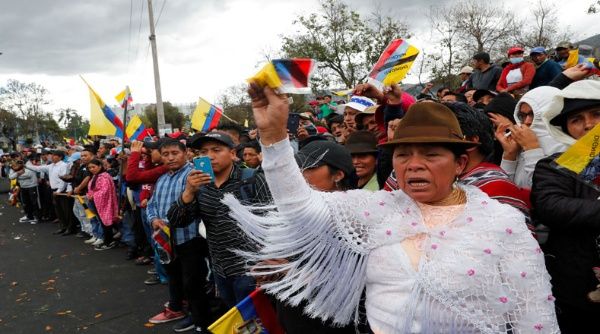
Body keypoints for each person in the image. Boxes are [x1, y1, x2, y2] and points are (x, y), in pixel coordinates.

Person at [229, 84, 558, 333]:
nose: (414, 166)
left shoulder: (501, 222)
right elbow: (299, 206)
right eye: (403, 155)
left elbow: (534, 316)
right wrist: (273, 138)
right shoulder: (378, 209)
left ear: (459, 163)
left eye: (430, 155)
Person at [167, 132, 272, 308]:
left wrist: (270, 263)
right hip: (220, 270)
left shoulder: (252, 179)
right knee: (235, 321)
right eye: (203, 152)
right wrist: (188, 192)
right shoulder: (200, 186)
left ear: (232, 154)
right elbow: (177, 221)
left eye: (216, 150)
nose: (209, 156)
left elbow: (274, 222)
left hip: (254, 270)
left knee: (260, 321)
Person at [532, 80, 600, 333]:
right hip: (579, 286)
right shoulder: (554, 166)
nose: (589, 124)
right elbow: (552, 205)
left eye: (596, 114)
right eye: (577, 119)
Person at [146, 139, 211, 332]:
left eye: (175, 153)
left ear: (185, 153)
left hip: (190, 238)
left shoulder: (195, 175)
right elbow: (152, 204)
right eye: (165, 154)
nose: (170, 157)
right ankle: (179, 310)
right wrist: (153, 219)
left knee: (194, 283)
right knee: (175, 277)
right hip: (166, 241)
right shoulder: (162, 178)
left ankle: (200, 321)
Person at [494, 87, 568, 189]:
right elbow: (504, 190)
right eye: (523, 115)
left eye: (532, 114)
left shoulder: (567, 147)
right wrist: (509, 155)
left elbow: (545, 191)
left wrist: (532, 149)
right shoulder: (520, 144)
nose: (527, 121)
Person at [26, 150, 71, 235]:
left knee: (65, 210)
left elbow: (64, 180)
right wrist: (25, 165)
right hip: (54, 190)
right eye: (52, 155)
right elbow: (37, 168)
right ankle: (63, 227)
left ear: (60, 157)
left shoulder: (64, 165)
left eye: (54, 155)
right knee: (58, 210)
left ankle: (69, 228)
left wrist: (59, 191)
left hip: (61, 191)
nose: (52, 157)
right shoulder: (50, 166)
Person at [86, 159, 119, 251]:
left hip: (104, 203)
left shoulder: (104, 177)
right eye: (89, 168)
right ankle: (107, 240)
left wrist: (93, 196)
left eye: (93, 167)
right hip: (97, 203)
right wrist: (89, 195)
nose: (91, 169)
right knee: (103, 222)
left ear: (100, 166)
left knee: (106, 223)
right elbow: (92, 189)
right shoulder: (96, 176)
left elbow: (105, 191)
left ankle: (109, 242)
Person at [9, 159, 40, 224]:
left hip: (32, 186)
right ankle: (29, 216)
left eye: (19, 163)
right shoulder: (13, 169)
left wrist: (17, 174)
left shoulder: (28, 166)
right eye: (15, 164)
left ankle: (36, 217)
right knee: (25, 203)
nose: (16, 165)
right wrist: (18, 173)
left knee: (34, 202)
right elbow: (11, 177)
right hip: (23, 187)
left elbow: (28, 175)